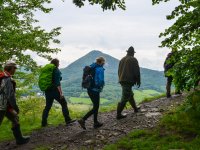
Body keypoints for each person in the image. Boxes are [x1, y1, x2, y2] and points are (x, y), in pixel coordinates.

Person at [0, 62, 30, 145]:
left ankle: (20, 139)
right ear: (11, 68)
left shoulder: (2, 76)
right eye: (15, 68)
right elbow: (10, 95)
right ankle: (20, 139)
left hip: (5, 105)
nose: (15, 70)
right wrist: (15, 107)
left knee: (15, 118)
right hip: (2, 106)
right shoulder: (6, 78)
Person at [41, 59, 75, 127]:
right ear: (56, 64)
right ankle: (68, 120)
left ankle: (43, 123)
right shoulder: (56, 70)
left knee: (47, 107)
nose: (59, 64)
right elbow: (57, 84)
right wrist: (61, 93)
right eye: (58, 63)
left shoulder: (48, 70)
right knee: (64, 104)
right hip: (55, 91)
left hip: (47, 91)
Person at [78, 57, 105, 129]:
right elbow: (101, 80)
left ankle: (95, 122)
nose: (104, 63)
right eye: (103, 62)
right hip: (95, 90)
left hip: (89, 89)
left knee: (95, 106)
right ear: (102, 62)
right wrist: (101, 86)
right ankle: (83, 119)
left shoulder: (91, 66)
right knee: (96, 106)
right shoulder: (100, 69)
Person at [117, 46, 141, 119]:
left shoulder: (122, 59)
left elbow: (119, 70)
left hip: (122, 80)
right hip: (128, 80)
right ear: (132, 53)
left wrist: (120, 78)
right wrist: (138, 80)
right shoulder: (133, 59)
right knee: (125, 97)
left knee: (130, 95)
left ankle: (135, 109)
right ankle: (118, 114)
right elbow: (137, 71)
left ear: (127, 52)